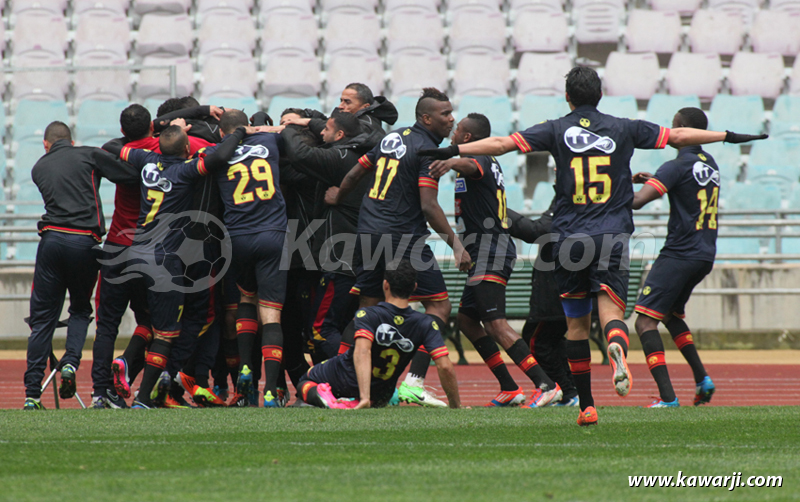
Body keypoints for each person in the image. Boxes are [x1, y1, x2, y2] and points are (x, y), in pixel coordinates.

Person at [420, 66, 767, 425]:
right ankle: (617, 344)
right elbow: (679, 136)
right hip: (613, 235)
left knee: (577, 328)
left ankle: (587, 406)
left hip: (570, 238)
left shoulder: (555, 128)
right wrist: (726, 135)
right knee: (611, 315)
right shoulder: (625, 127)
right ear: (600, 95)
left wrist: (451, 149)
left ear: (567, 96)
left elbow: (501, 144)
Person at [326, 87, 471, 408]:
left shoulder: (392, 138)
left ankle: (343, 379)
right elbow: (430, 206)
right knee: (439, 306)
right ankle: (414, 382)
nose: (451, 119)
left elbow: (354, 172)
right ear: (426, 118)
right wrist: (458, 247)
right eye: (445, 115)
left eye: (451, 113)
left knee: (368, 311)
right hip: (401, 237)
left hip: (367, 233)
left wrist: (339, 196)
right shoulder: (425, 150)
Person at [104, 123, 255, 408]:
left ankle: (126, 362)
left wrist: (144, 140)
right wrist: (238, 132)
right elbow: (220, 158)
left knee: (150, 323)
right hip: (165, 261)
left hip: (135, 255)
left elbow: (112, 146)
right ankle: (144, 398)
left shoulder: (146, 160)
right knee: (167, 333)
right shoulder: (187, 169)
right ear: (187, 149)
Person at [427, 113, 562, 408]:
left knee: (496, 324)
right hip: (482, 251)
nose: (453, 132)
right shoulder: (480, 161)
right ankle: (509, 387)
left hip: (492, 250)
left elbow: (470, 164)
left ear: (467, 138)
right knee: (466, 320)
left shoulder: (481, 158)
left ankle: (547, 384)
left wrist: (451, 161)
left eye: (458, 129)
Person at [23, 121, 139, 410]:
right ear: (72, 141)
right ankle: (71, 363)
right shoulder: (88, 154)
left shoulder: (38, 168)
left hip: (50, 243)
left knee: (42, 321)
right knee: (80, 309)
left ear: (46, 144)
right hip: (84, 243)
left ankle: (31, 394)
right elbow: (127, 175)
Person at [631, 107, 718, 408]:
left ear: (680, 128)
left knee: (644, 322)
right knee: (669, 315)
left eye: (672, 127)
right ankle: (702, 378)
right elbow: (688, 188)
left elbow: (637, 202)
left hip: (680, 253)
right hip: (705, 253)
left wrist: (609, 187)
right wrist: (657, 178)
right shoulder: (710, 163)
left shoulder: (676, 166)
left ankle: (668, 398)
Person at [298, 259, 462, 409]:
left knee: (304, 381)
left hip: (346, 381)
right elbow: (445, 366)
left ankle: (328, 398)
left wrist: (364, 398)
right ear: (414, 288)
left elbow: (363, 352)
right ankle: (349, 399)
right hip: (381, 392)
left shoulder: (369, 315)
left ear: (385, 285)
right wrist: (456, 406)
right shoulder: (426, 323)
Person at [209, 109, 289, 408]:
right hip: (272, 234)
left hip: (237, 237)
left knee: (246, 298)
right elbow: (288, 139)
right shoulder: (268, 143)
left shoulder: (215, 151)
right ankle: (270, 390)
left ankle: (245, 366)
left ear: (221, 132)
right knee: (271, 314)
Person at [281, 109, 373, 361]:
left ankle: (350, 380)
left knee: (321, 330)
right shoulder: (363, 149)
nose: (321, 132)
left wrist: (288, 128)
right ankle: (351, 385)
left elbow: (300, 155)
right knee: (349, 327)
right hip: (361, 254)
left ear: (341, 134)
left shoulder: (339, 157)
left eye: (326, 129)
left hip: (340, 258)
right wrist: (309, 121)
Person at [508, 202, 579, 407]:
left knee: (537, 341)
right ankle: (572, 391)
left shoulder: (568, 196)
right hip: (572, 280)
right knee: (554, 339)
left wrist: (501, 210)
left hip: (555, 284)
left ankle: (564, 391)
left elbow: (537, 231)